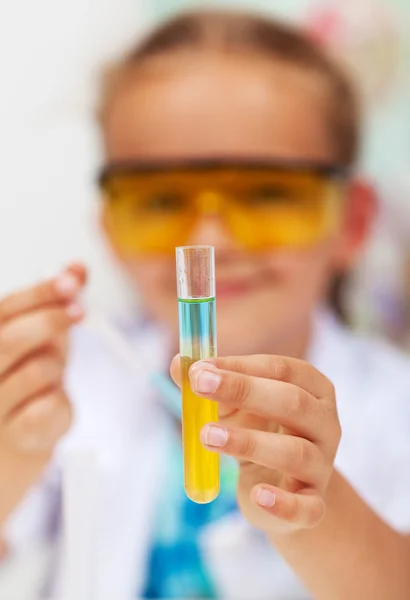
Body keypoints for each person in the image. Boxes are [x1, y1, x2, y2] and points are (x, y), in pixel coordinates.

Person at [0, 8, 410, 599]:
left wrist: (314, 510)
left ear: (352, 222)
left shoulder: (395, 409)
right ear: (111, 229)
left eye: (269, 196)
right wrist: (14, 448)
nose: (213, 241)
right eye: (162, 201)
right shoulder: (75, 382)